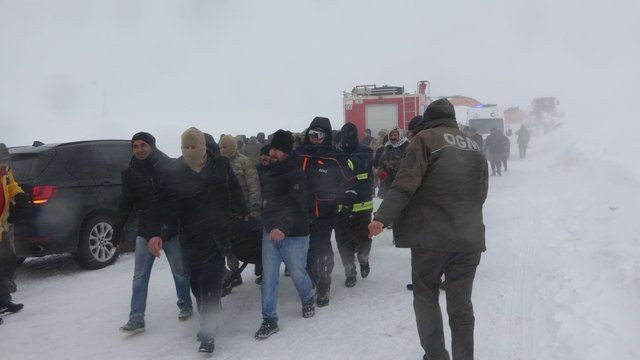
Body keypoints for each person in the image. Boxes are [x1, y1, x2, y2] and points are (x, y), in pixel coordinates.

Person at [369, 98, 488, 360]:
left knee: (426, 299)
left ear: (428, 119)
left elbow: (404, 185)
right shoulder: (474, 146)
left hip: (431, 241)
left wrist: (382, 217)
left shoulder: (424, 140)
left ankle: (436, 356)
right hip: (468, 239)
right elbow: (481, 193)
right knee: (461, 306)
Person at [148, 127, 248, 353]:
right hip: (190, 236)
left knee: (211, 283)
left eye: (194, 146)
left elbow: (234, 188)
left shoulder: (220, 165)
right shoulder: (174, 170)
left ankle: (208, 334)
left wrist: (243, 211)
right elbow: (159, 202)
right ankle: (206, 315)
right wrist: (155, 232)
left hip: (216, 234)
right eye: (186, 147)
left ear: (203, 147)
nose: (190, 151)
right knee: (195, 283)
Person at [113, 132, 193, 334]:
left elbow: (178, 199)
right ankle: (136, 317)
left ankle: (185, 303)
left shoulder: (168, 166)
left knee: (180, 271)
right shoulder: (129, 173)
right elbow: (125, 204)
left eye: (143, 145)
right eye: (135, 146)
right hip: (146, 230)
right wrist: (117, 230)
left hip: (169, 228)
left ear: (152, 145)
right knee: (140, 276)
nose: (139, 149)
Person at [254, 130, 315, 340]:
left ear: (286, 152)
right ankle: (269, 320)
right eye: (272, 148)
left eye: (277, 149)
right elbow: (269, 203)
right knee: (269, 277)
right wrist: (269, 223)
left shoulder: (296, 173)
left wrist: (284, 228)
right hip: (270, 232)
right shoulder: (269, 170)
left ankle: (308, 297)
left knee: (298, 273)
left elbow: (298, 206)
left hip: (295, 235)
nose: (272, 152)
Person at [300, 117, 355, 307]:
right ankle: (312, 278)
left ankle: (324, 285)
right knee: (305, 251)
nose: (315, 138)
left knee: (322, 248)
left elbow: (350, 181)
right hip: (300, 213)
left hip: (325, 212)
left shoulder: (335, 157)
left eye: (319, 135)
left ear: (327, 136)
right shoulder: (299, 155)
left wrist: (346, 202)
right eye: (312, 134)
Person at [219, 135, 263, 291]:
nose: (222, 150)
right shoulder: (218, 164)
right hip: (227, 213)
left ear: (234, 147)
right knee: (229, 248)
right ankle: (235, 273)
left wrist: (254, 209)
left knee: (254, 241)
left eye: (225, 147)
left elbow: (253, 185)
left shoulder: (244, 162)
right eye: (221, 147)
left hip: (245, 212)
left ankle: (261, 265)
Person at [335, 123, 373, 288]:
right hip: (341, 205)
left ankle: (363, 259)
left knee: (364, 239)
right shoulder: (337, 153)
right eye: (345, 134)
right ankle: (350, 271)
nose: (347, 137)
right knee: (343, 241)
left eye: (350, 134)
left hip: (362, 205)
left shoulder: (365, 151)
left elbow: (353, 165)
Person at [0, 143, 27, 324]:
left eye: (6, 160)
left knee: (8, 261)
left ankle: (3, 301)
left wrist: (19, 195)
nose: (4, 164)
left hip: (1, 228)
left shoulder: (6, 171)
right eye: (1, 161)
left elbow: (11, 186)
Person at [380, 127, 409, 192]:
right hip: (389, 180)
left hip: (402, 179)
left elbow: (408, 162)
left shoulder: (407, 146)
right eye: (391, 135)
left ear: (400, 135)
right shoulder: (388, 147)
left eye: (395, 135)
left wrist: (391, 164)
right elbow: (382, 161)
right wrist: (382, 171)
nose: (393, 137)